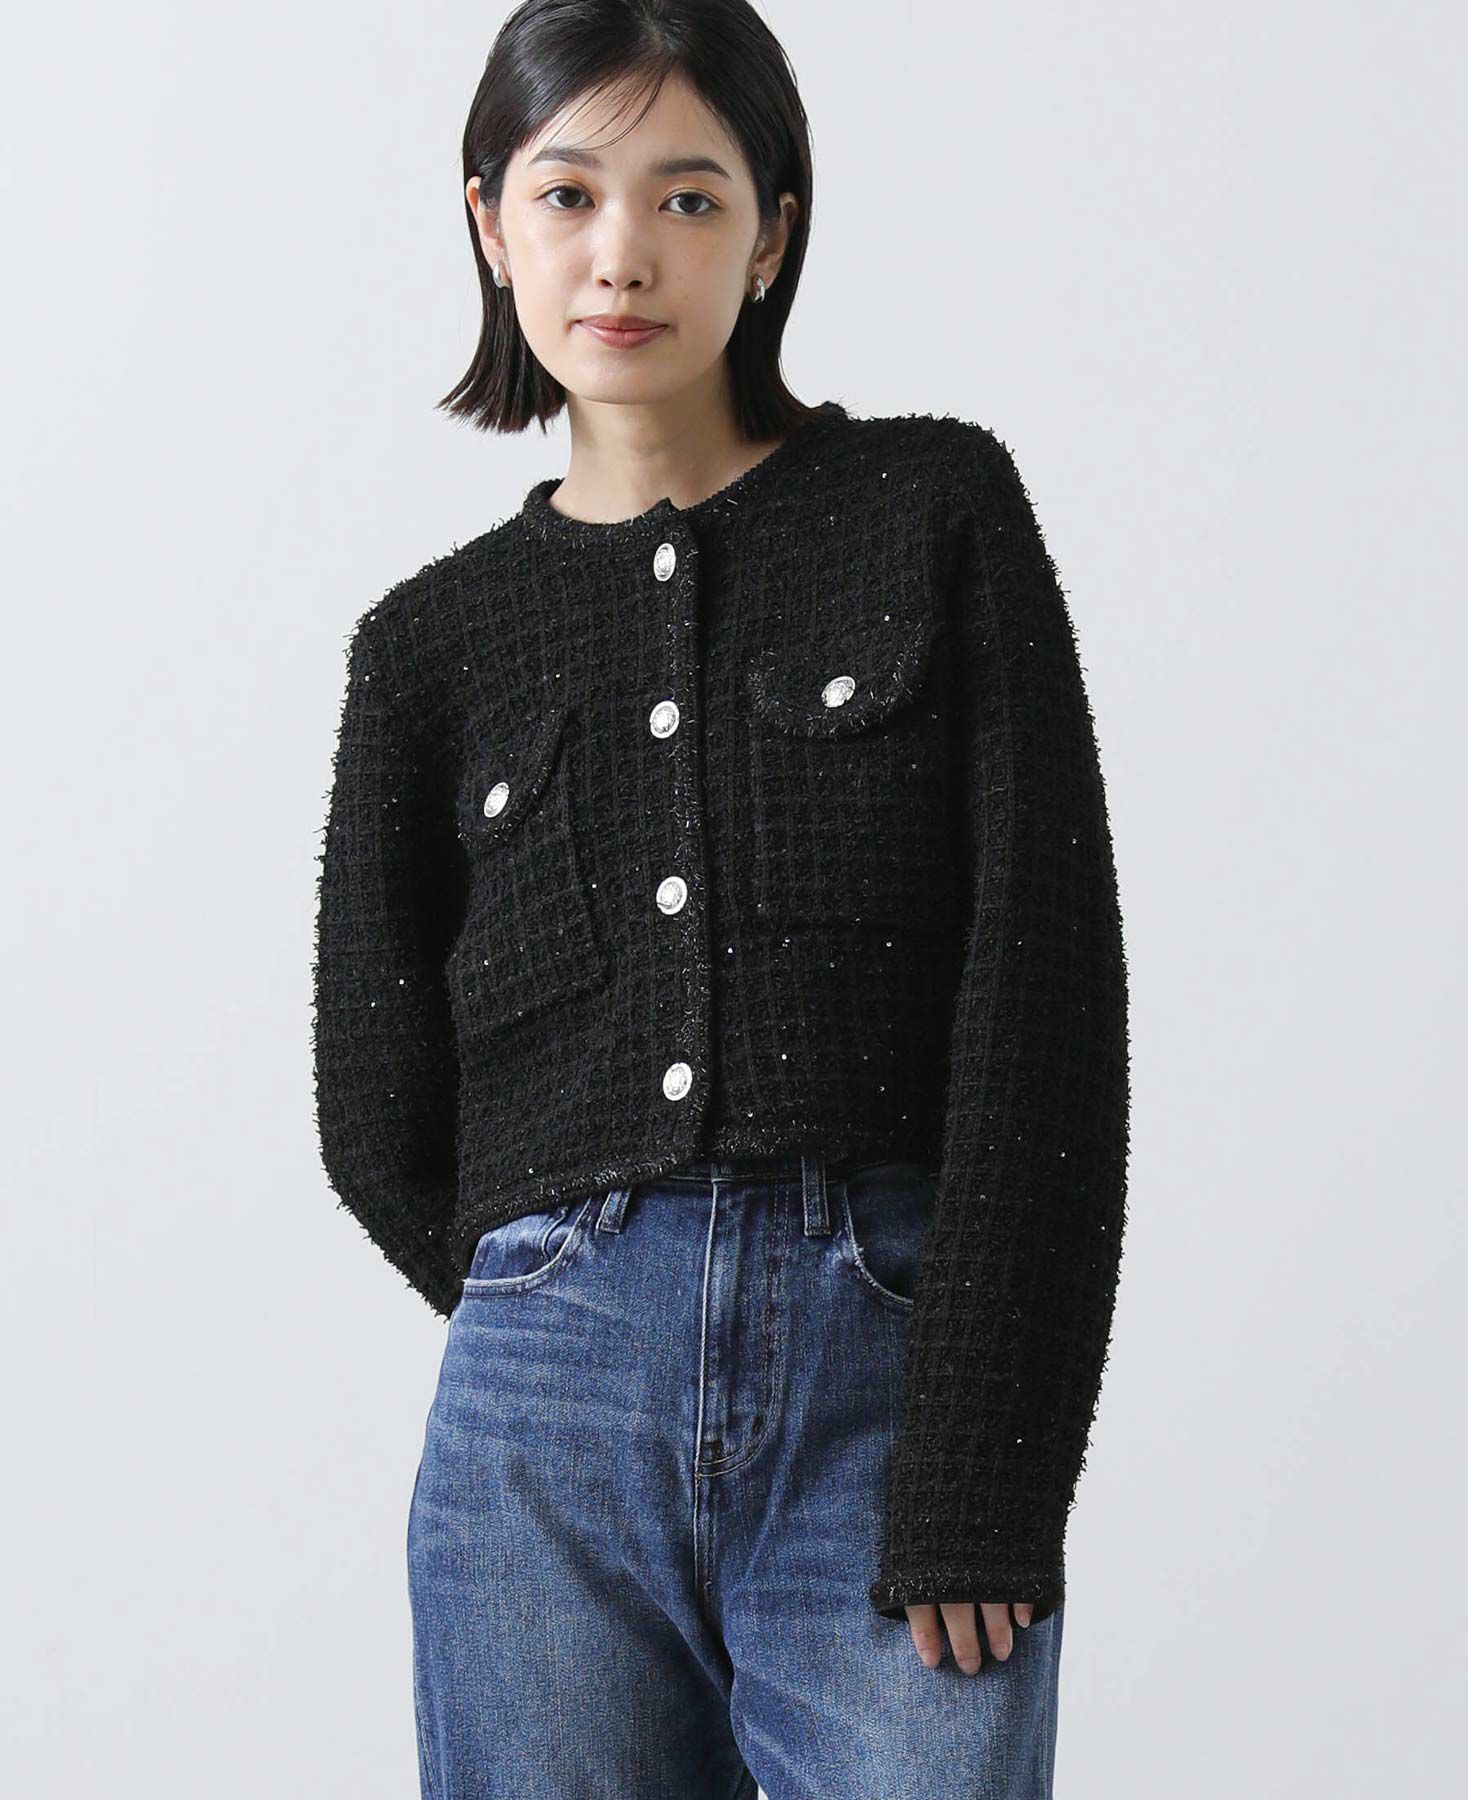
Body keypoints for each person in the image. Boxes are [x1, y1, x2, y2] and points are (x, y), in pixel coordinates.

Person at [310, 3, 1130, 1794]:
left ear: (772, 233)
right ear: (488, 223)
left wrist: (986, 1466)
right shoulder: (428, 647)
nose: (624, 253)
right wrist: (558, 1298)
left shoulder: (935, 508)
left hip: (890, 1398)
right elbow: (375, 1108)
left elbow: (1046, 1006)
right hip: (539, 1443)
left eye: (689, 198)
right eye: (569, 194)